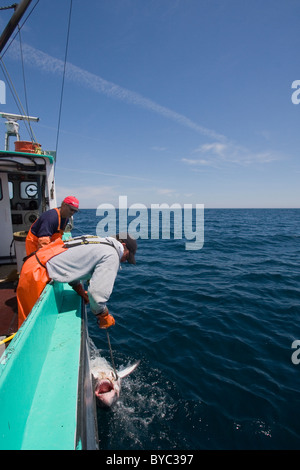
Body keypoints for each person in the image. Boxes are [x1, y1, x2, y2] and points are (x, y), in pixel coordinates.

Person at [17, 233, 137, 330]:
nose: (124, 261)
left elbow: (73, 265)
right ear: (123, 245)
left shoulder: (95, 239)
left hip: (33, 264)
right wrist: (103, 315)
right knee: (31, 329)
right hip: (37, 274)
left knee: (27, 322)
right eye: (127, 257)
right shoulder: (112, 255)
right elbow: (96, 295)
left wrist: (79, 289)